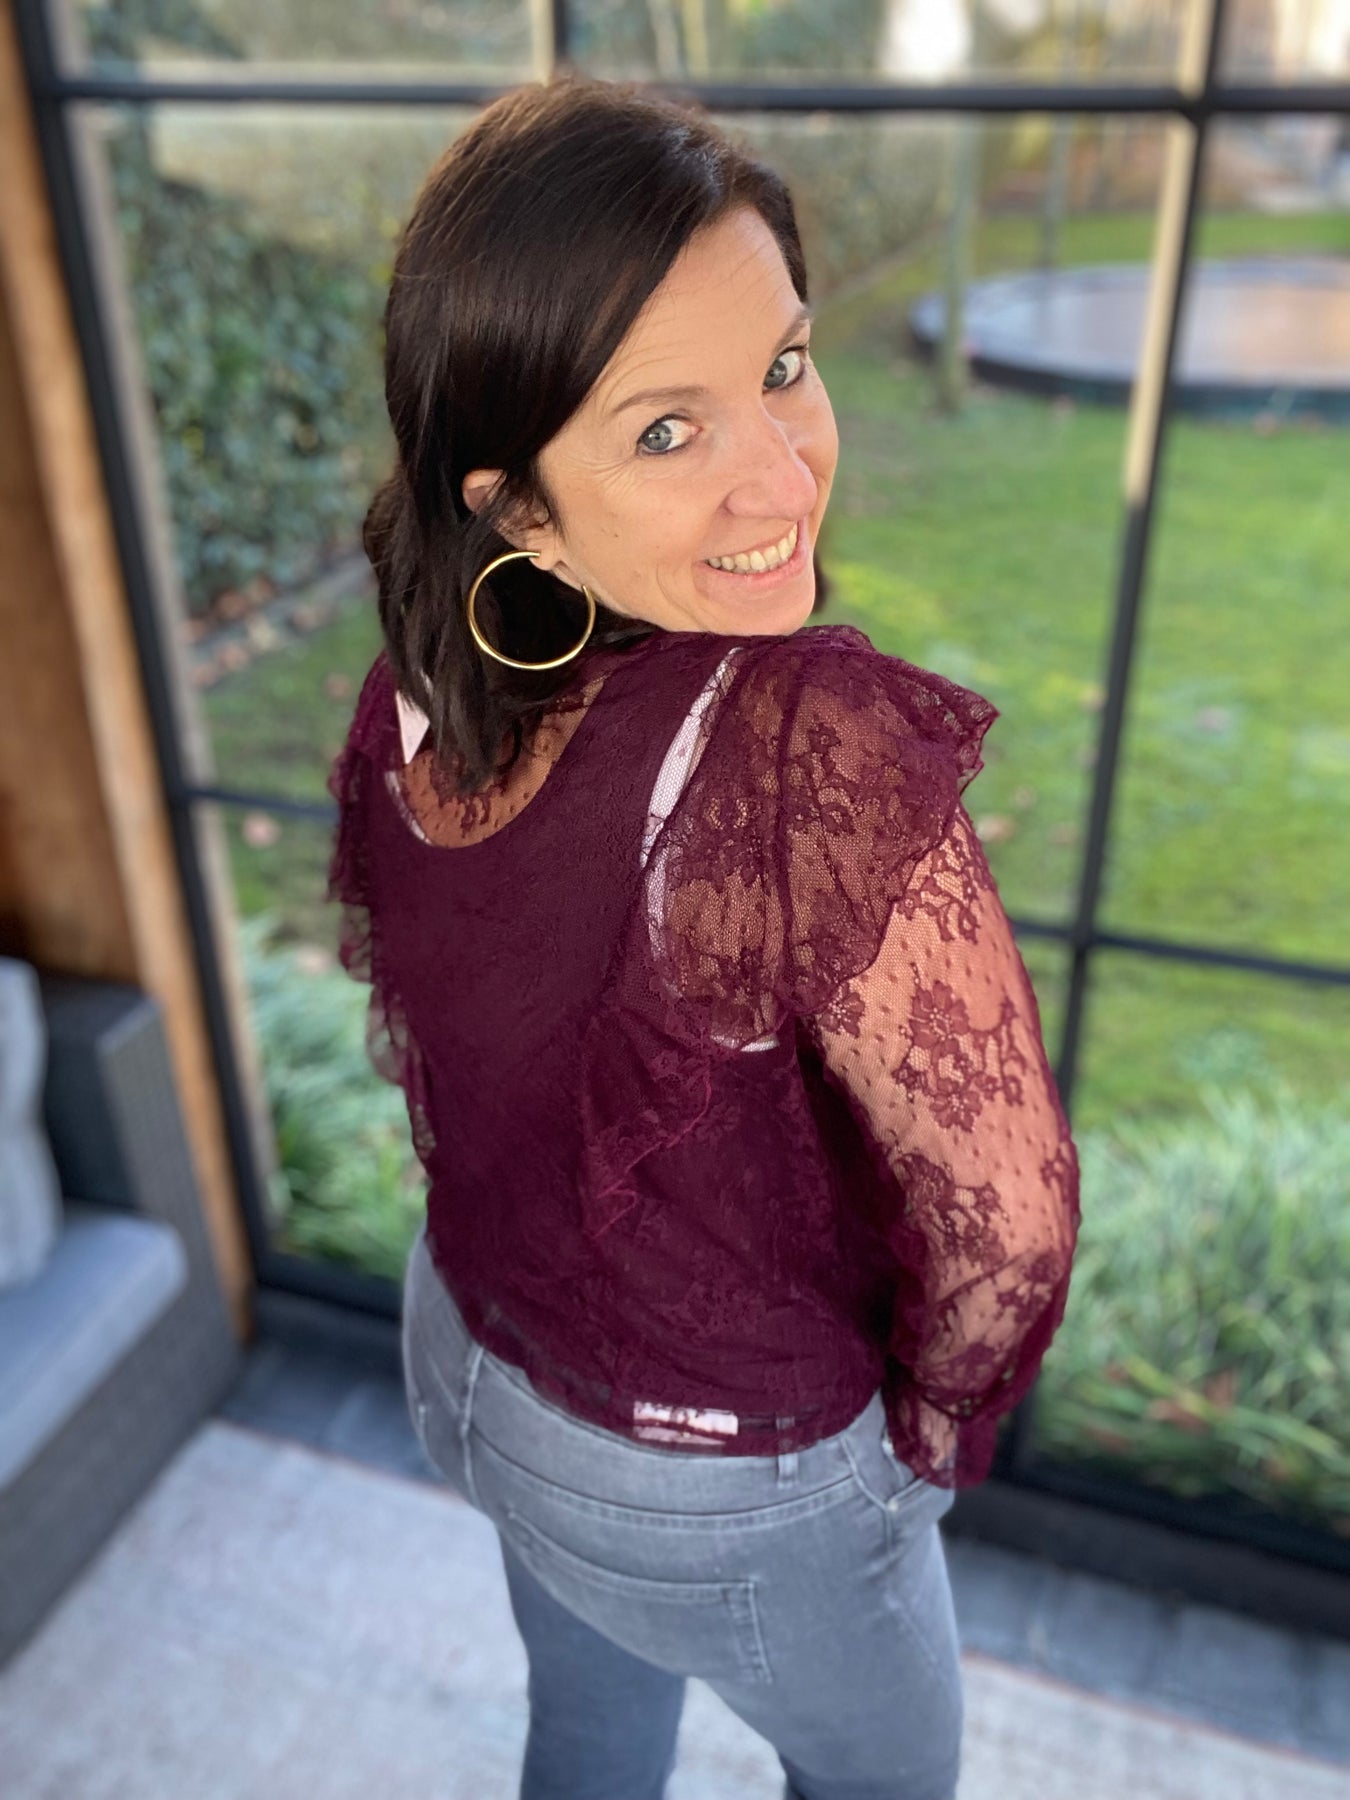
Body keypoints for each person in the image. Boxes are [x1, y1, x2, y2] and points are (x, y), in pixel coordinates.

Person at [327, 72, 1081, 1800]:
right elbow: (1007, 1215)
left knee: (587, 1738)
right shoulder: (800, 750)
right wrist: (916, 1444)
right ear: (518, 507)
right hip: (716, 1472)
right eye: (666, 432)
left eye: (785, 368)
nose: (780, 477)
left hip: (469, 1360)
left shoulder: (419, 685)